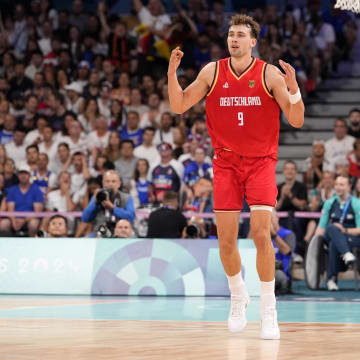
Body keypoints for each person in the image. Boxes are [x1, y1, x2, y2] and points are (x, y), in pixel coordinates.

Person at [168, 14, 304, 339]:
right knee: (226, 240)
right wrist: (172, 74)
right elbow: (179, 105)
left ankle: (268, 308)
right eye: (231, 34)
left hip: (260, 163)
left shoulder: (269, 74)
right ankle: (238, 293)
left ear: (253, 41)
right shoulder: (212, 71)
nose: (234, 39)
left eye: (241, 35)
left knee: (260, 234)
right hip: (226, 164)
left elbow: (296, 120)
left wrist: (295, 87)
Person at [312, 176, 360, 291]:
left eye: (342, 184)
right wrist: (316, 244)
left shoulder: (356, 203)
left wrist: (345, 230)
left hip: (351, 236)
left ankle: (331, 279)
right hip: (332, 233)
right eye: (337, 184)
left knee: (334, 243)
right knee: (332, 228)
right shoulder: (329, 203)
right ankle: (346, 254)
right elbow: (321, 227)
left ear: (349, 187)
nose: (339, 187)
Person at [80, 170, 135, 236]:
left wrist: (113, 208)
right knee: (86, 240)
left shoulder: (126, 197)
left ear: (119, 184)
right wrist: (94, 203)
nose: (110, 184)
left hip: (120, 233)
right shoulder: (98, 195)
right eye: (107, 181)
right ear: (103, 183)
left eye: (113, 181)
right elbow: (85, 218)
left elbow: (131, 217)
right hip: (99, 232)